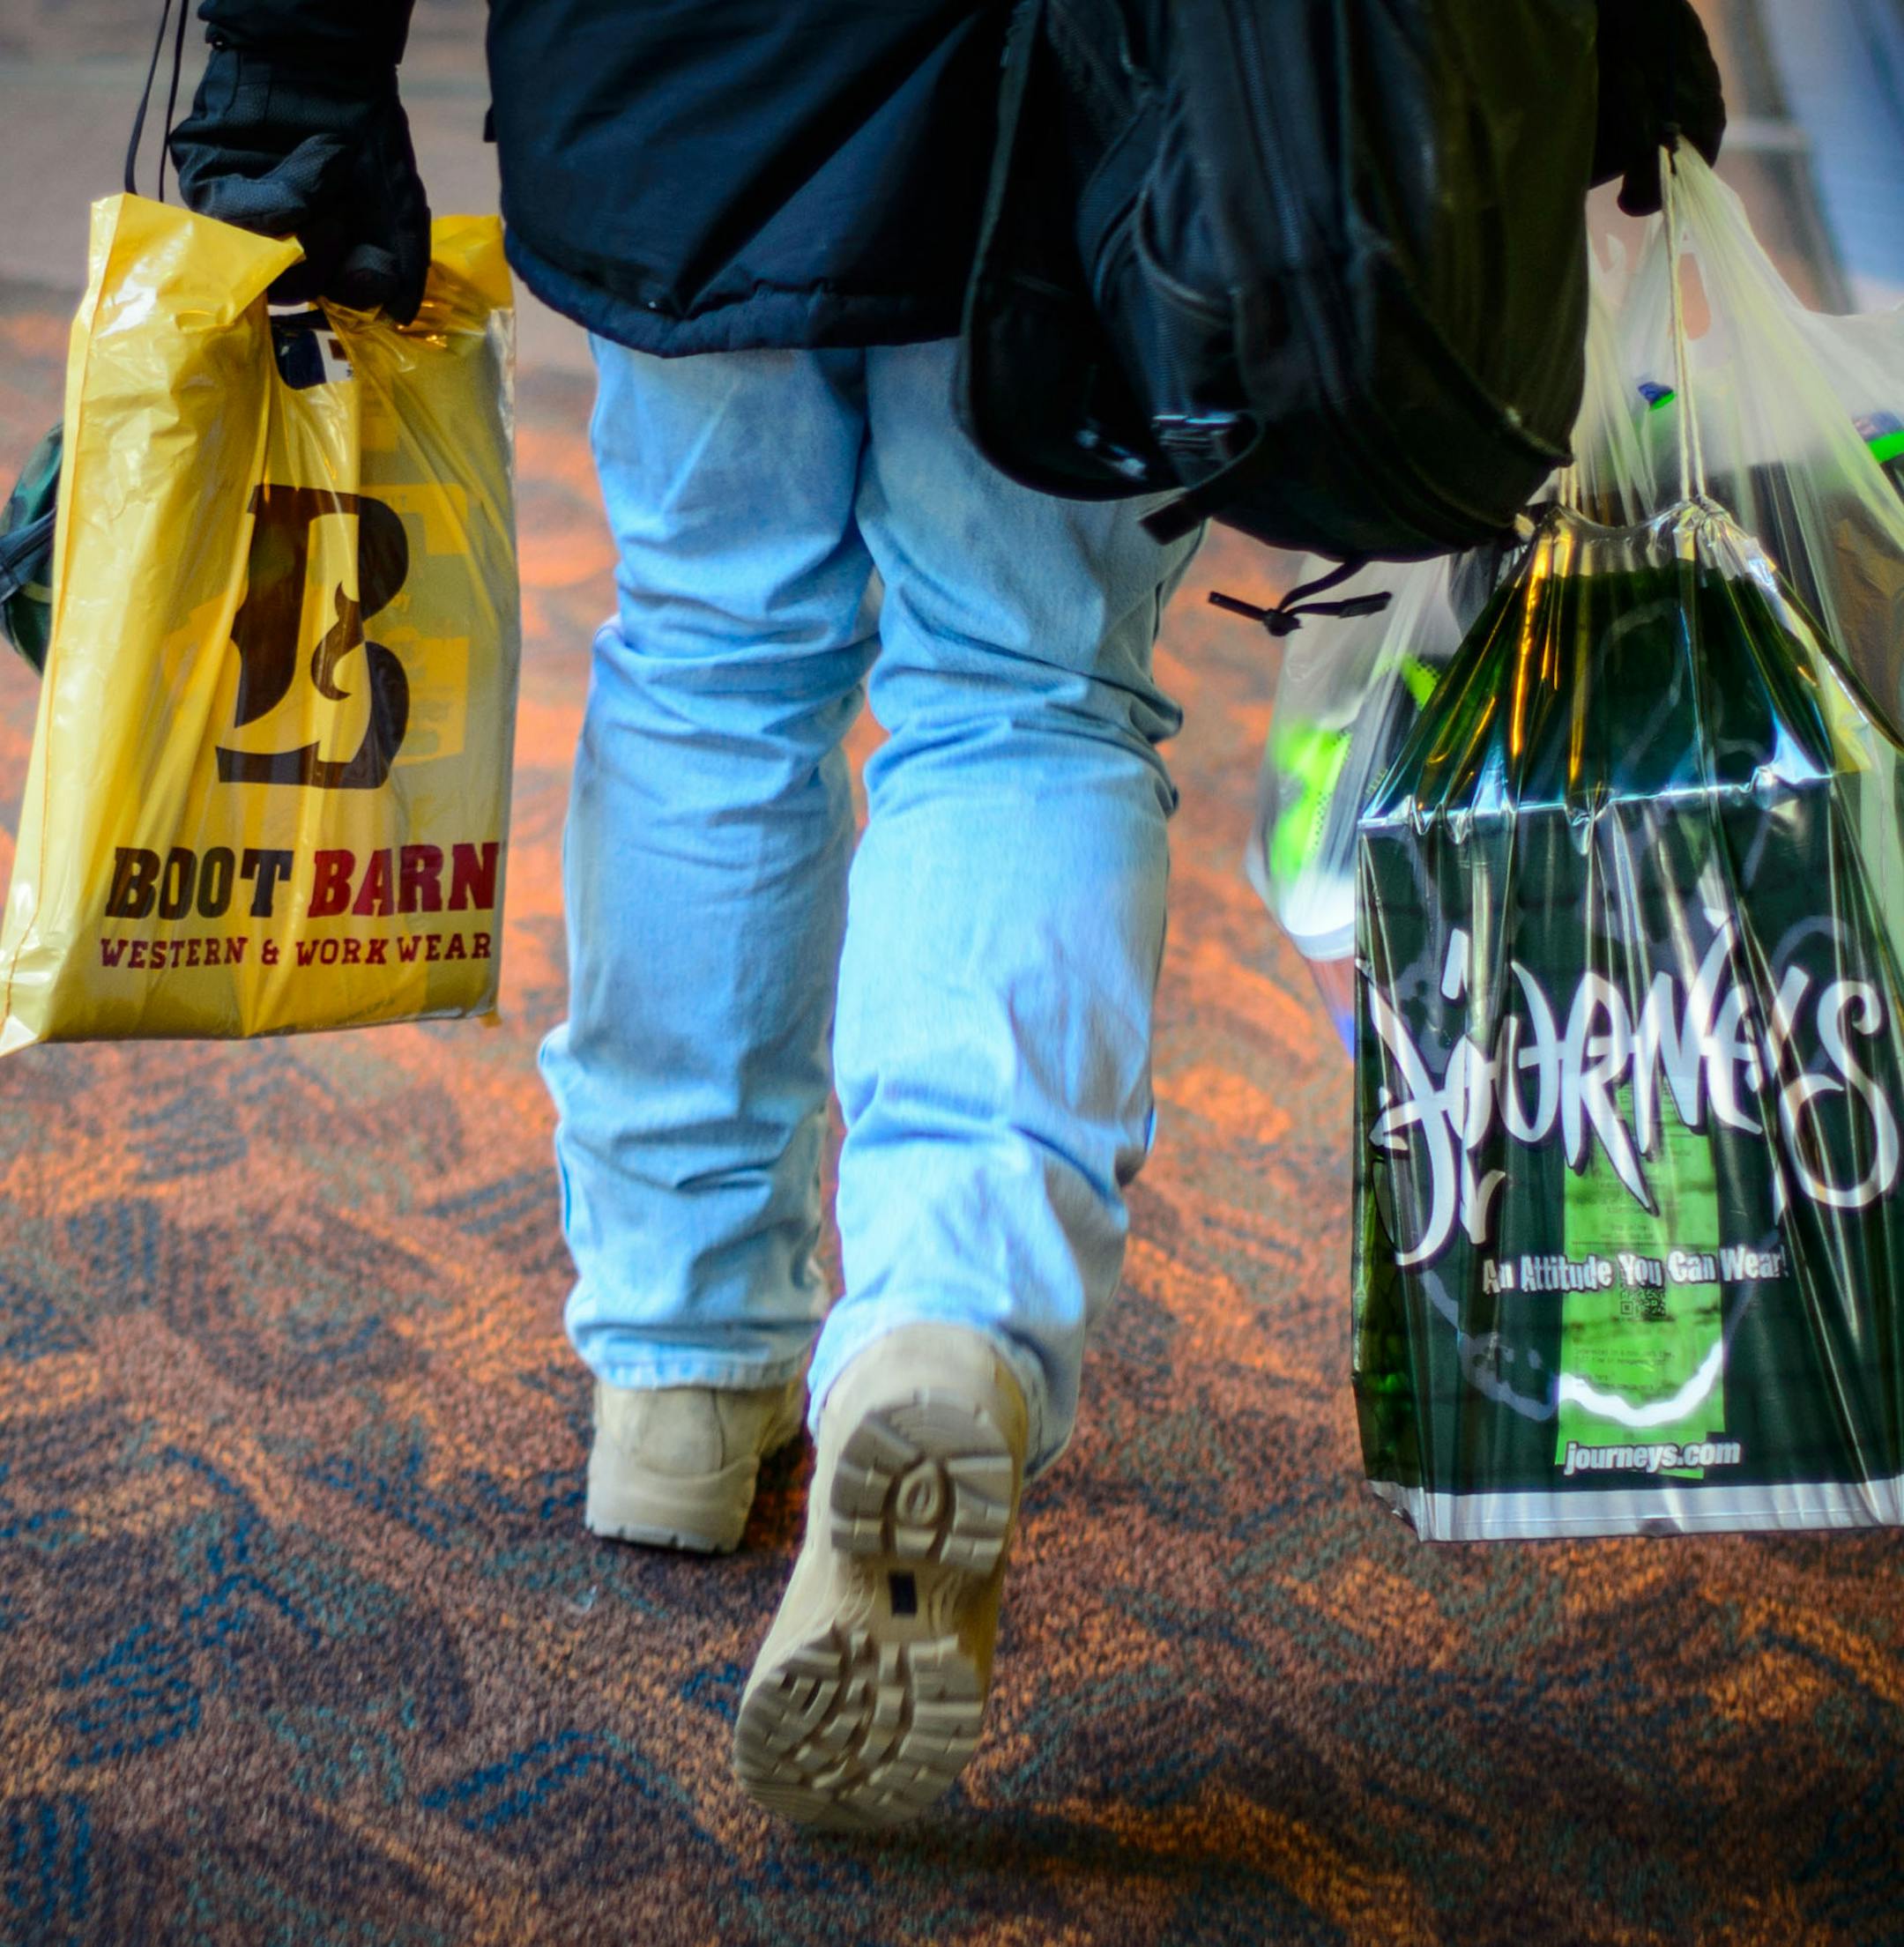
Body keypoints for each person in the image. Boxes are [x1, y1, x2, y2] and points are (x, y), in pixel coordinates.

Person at [167, 0, 1722, 1833]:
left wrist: (294, 70)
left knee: (707, 643)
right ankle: (949, 1318)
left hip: (678, 62)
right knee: (1026, 689)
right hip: (1080, 73)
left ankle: (677, 1367)